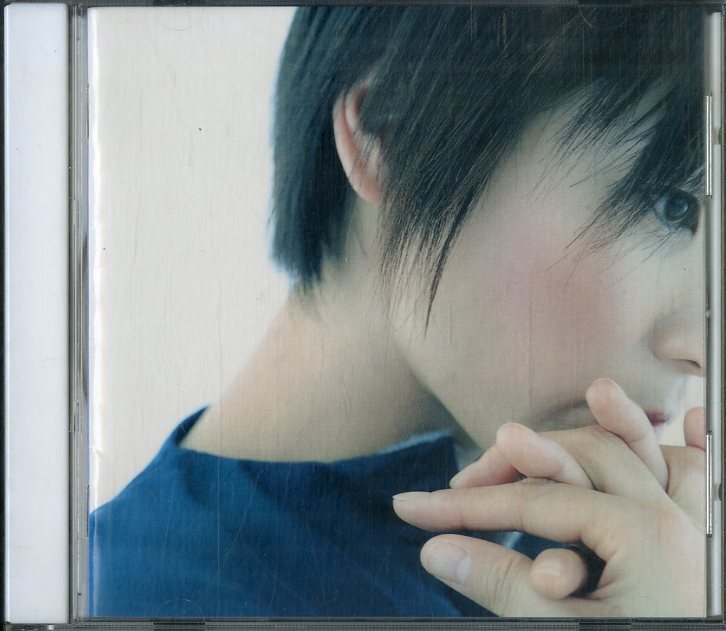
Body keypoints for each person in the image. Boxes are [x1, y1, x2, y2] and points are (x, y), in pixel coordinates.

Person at [89, 5, 707, 617]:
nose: (702, 349)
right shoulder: (149, 598)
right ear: (393, 133)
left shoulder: (610, 560)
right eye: (672, 207)